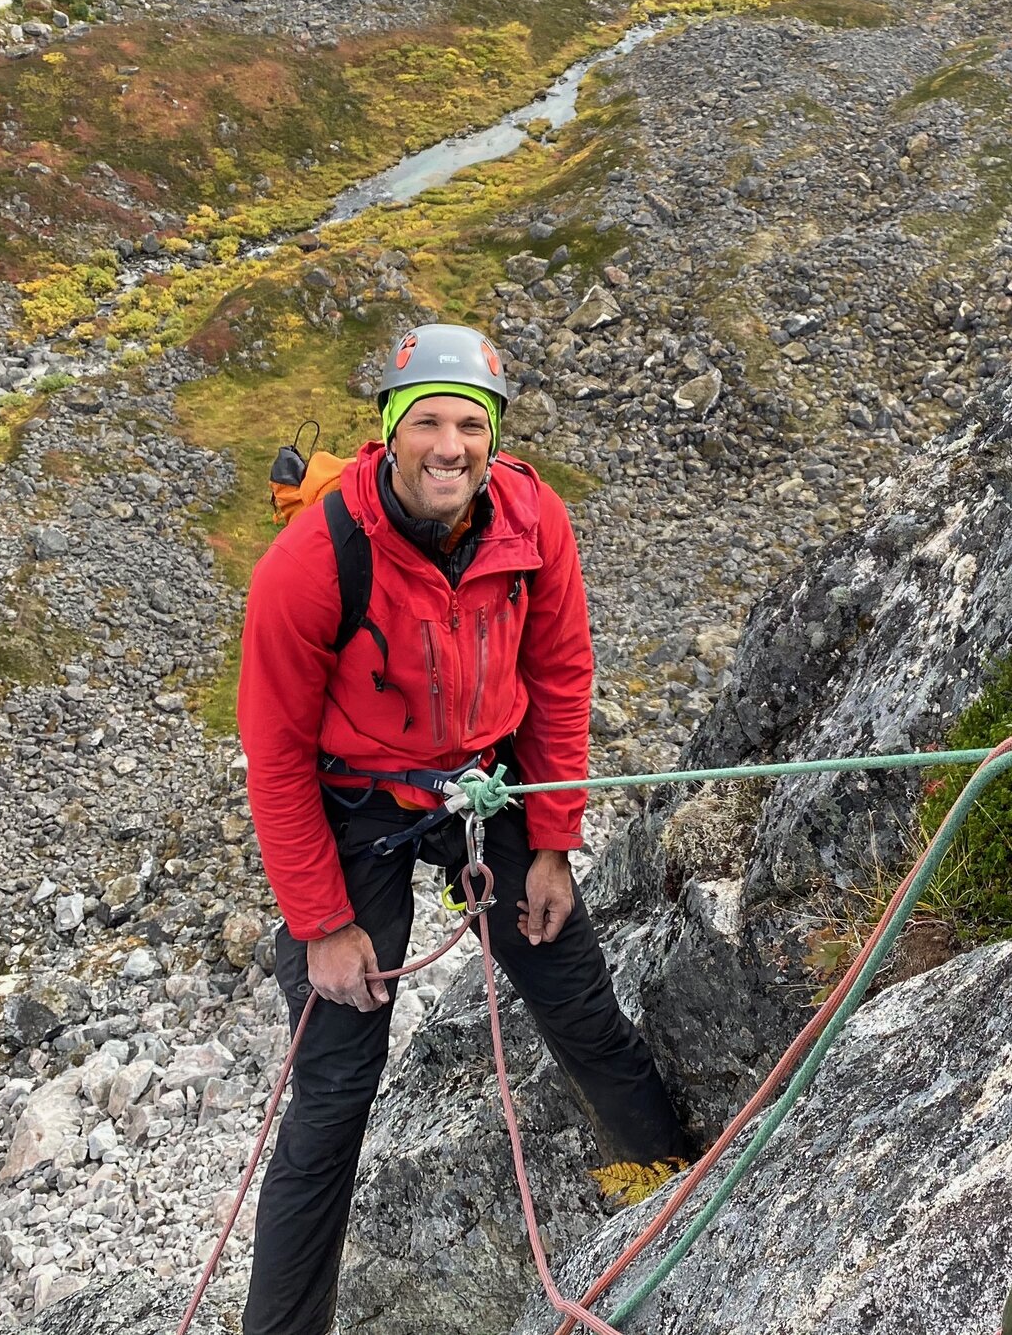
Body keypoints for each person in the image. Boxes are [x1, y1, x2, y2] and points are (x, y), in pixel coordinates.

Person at [235, 322, 688, 1335]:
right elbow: (273, 755)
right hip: (359, 807)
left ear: (493, 436)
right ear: (389, 434)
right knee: (337, 1087)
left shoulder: (533, 523)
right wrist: (322, 924)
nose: (451, 446)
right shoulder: (311, 563)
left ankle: (666, 1169)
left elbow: (561, 677)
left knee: (572, 987)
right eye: (428, 421)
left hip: (487, 790)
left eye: (470, 424)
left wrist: (555, 841)